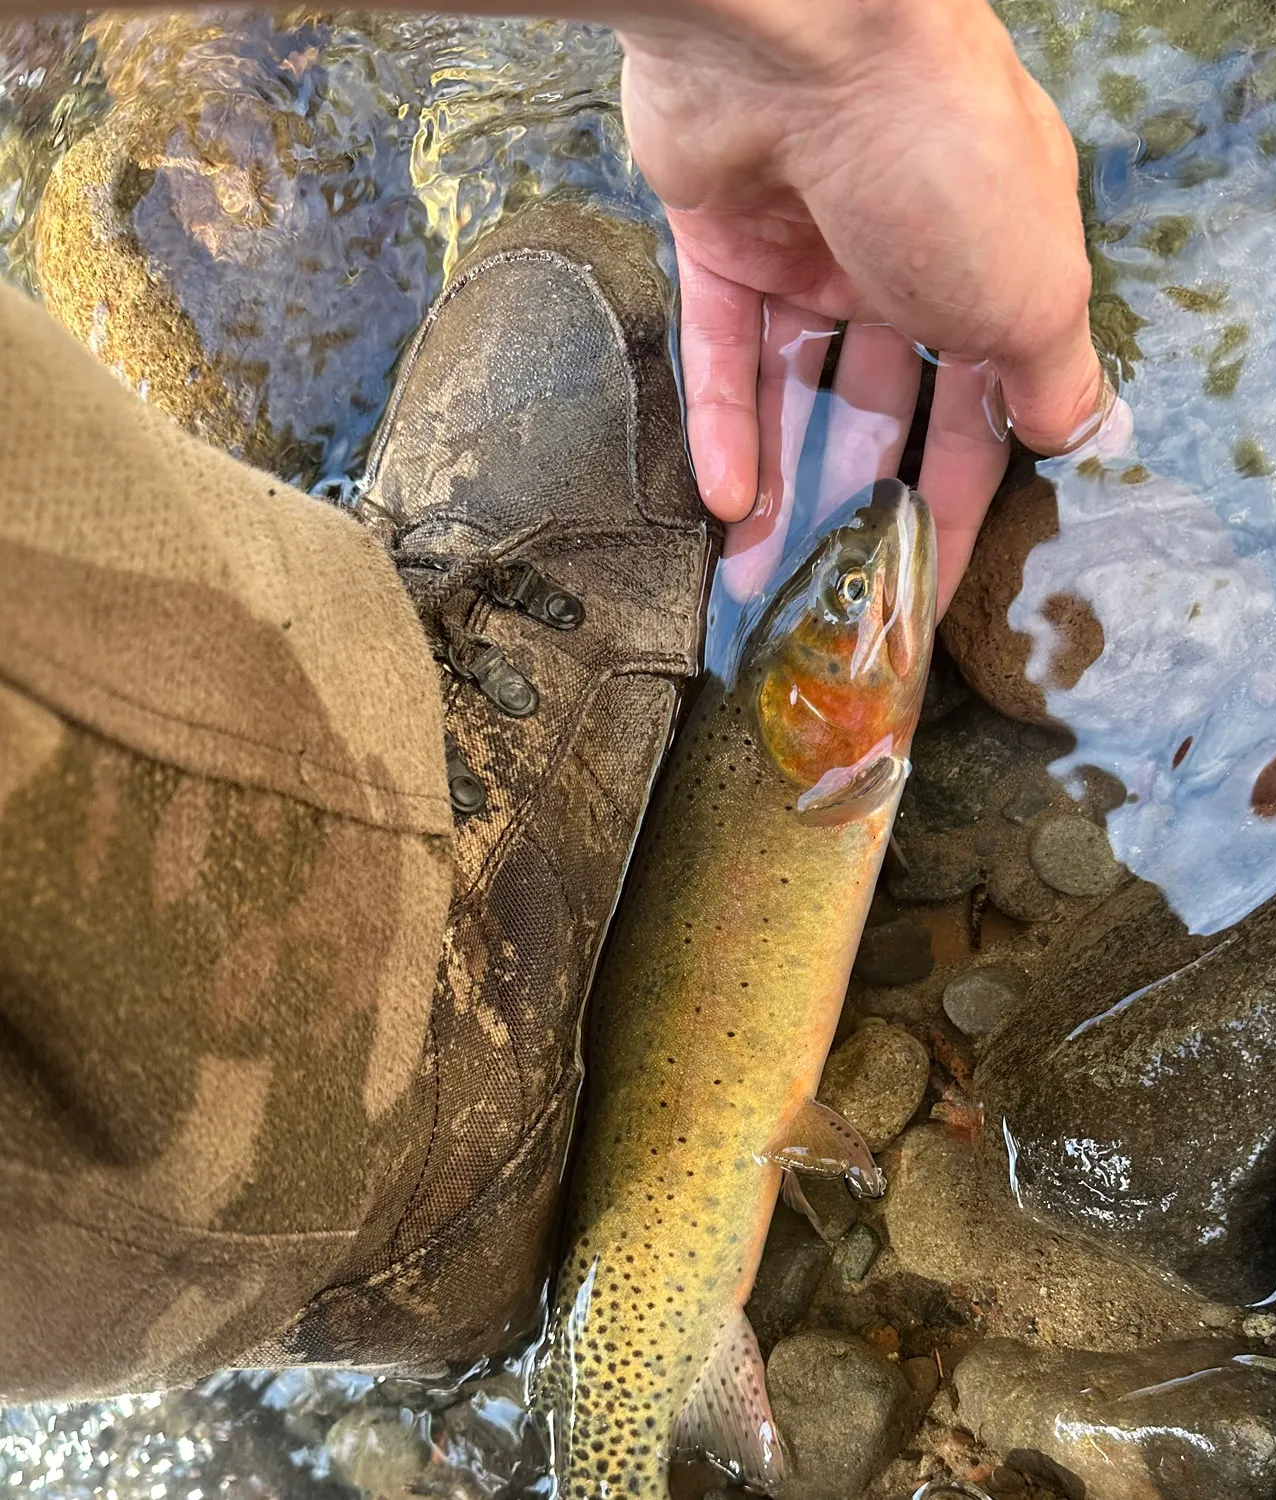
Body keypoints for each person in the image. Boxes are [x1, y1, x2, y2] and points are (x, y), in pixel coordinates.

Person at [0, 0, 1115, 1399]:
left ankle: (338, 1212)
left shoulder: (819, 751)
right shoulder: (813, 756)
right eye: (845, 612)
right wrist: (829, 37)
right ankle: (402, 1084)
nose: (860, 611)